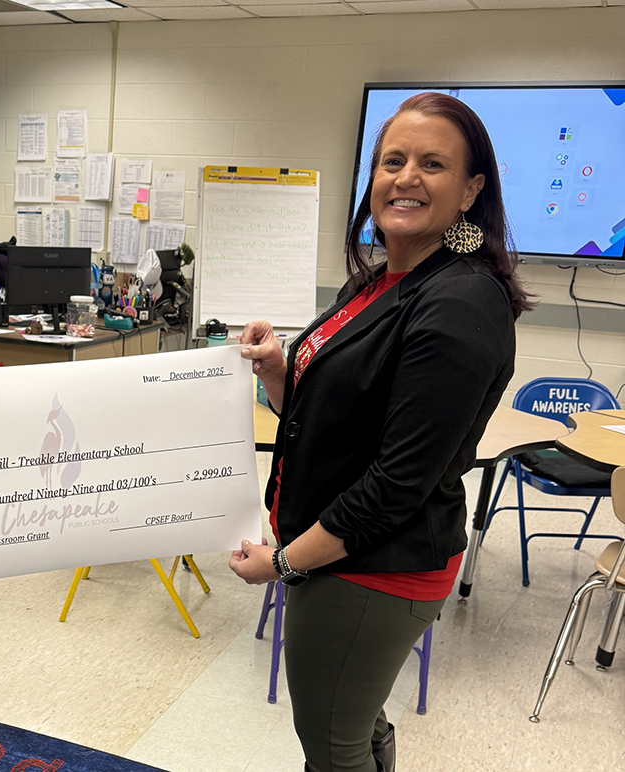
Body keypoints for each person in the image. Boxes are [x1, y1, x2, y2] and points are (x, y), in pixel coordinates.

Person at [229, 92, 535, 772]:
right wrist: (279, 370)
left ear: (471, 190)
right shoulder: (378, 282)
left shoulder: (460, 301)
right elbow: (328, 419)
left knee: (331, 746)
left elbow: (398, 482)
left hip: (373, 566)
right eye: (392, 161)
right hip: (339, 551)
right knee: (354, 720)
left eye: (433, 163)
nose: (406, 177)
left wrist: (283, 563)